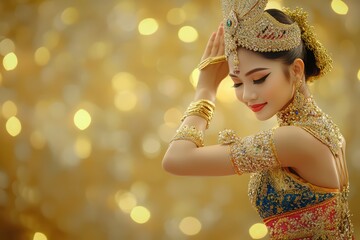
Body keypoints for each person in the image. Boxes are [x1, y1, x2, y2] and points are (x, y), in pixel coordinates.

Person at [162, 0, 354, 238]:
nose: (248, 95)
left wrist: (205, 92)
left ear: (296, 70)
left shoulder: (294, 139)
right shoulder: (328, 130)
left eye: (260, 78)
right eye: (237, 83)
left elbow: (176, 160)